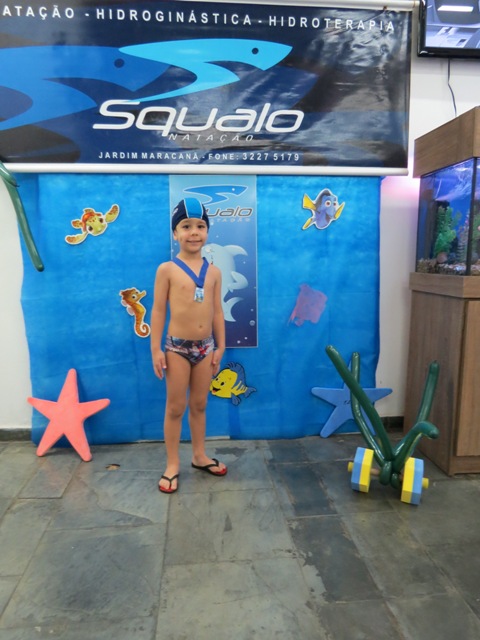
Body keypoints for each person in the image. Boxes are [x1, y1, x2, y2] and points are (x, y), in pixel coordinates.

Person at [151, 197, 227, 493]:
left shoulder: (214, 272)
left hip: (206, 347)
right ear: (175, 233)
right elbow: (158, 310)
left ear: (207, 231)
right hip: (177, 349)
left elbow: (217, 312)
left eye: (200, 226)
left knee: (199, 404)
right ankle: (172, 464)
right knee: (175, 407)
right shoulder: (167, 269)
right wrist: (156, 349)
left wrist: (221, 346)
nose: (193, 232)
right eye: (185, 226)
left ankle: (199, 455)